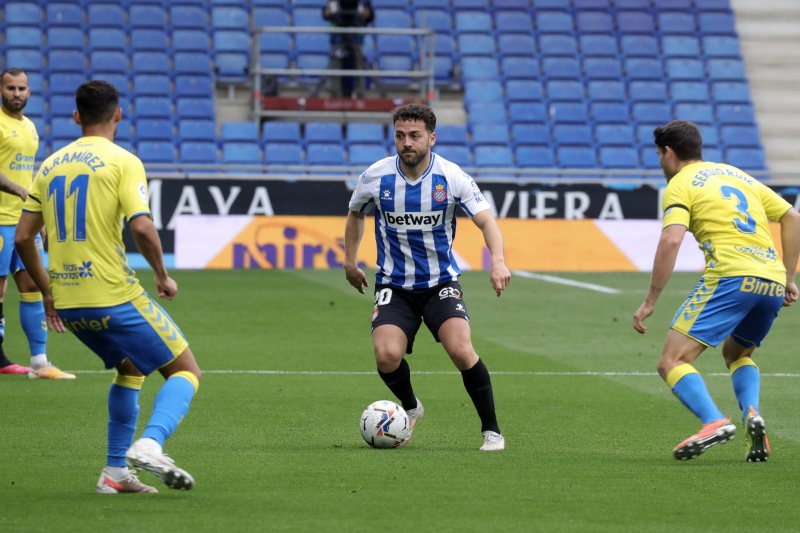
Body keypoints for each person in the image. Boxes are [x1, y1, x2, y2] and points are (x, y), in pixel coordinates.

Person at [14, 80, 202, 493]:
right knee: (186, 371)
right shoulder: (123, 161)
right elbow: (142, 227)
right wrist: (162, 274)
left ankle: (114, 473)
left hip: (68, 301)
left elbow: (23, 237)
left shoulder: (50, 165)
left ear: (76, 116)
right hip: (113, 293)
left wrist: (47, 292)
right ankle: (151, 444)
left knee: (130, 368)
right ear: (118, 114)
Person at [344, 103, 510, 451]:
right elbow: (356, 214)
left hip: (440, 284)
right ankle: (411, 406)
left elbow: (486, 221)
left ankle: (492, 431)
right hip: (394, 285)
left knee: (461, 351)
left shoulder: (451, 176)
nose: (407, 142)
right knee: (386, 356)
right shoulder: (376, 176)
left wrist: (497, 262)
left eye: (415, 136)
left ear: (431, 138)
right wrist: (350, 261)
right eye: (400, 135)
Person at [633, 120, 800, 462]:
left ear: (668, 152)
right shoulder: (736, 175)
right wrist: (788, 277)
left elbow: (671, 240)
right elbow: (792, 217)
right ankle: (752, 412)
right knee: (737, 354)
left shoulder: (680, 184)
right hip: (769, 279)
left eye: (659, 154)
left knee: (672, 361)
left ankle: (713, 422)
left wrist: (651, 300)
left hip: (731, 276)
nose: (660, 161)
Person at [0, 67, 73, 379]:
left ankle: (40, 362)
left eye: (21, 88)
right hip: (0, 219)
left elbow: (27, 172)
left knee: (32, 284)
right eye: (10, 88)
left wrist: (36, 214)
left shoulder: (29, 127)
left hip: (21, 221)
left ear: (29, 92)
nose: (16, 93)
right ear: (1, 90)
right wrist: (18, 190)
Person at [309, 0, 374, 98]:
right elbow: (326, 14)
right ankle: (335, 95)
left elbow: (370, 16)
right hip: (337, 36)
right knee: (335, 66)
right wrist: (329, 12)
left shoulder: (363, 1)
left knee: (359, 66)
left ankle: (360, 95)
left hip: (356, 37)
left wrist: (365, 14)